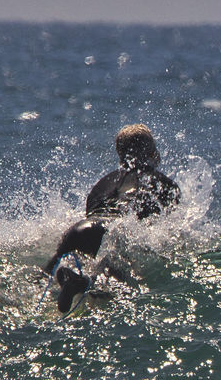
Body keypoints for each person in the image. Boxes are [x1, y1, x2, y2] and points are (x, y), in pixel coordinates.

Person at [41, 124, 181, 312]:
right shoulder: (166, 186)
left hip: (79, 230)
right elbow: (163, 230)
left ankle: (67, 282)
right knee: (114, 282)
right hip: (112, 228)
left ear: (119, 154)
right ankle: (82, 284)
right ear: (152, 152)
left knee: (44, 276)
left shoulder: (101, 183)